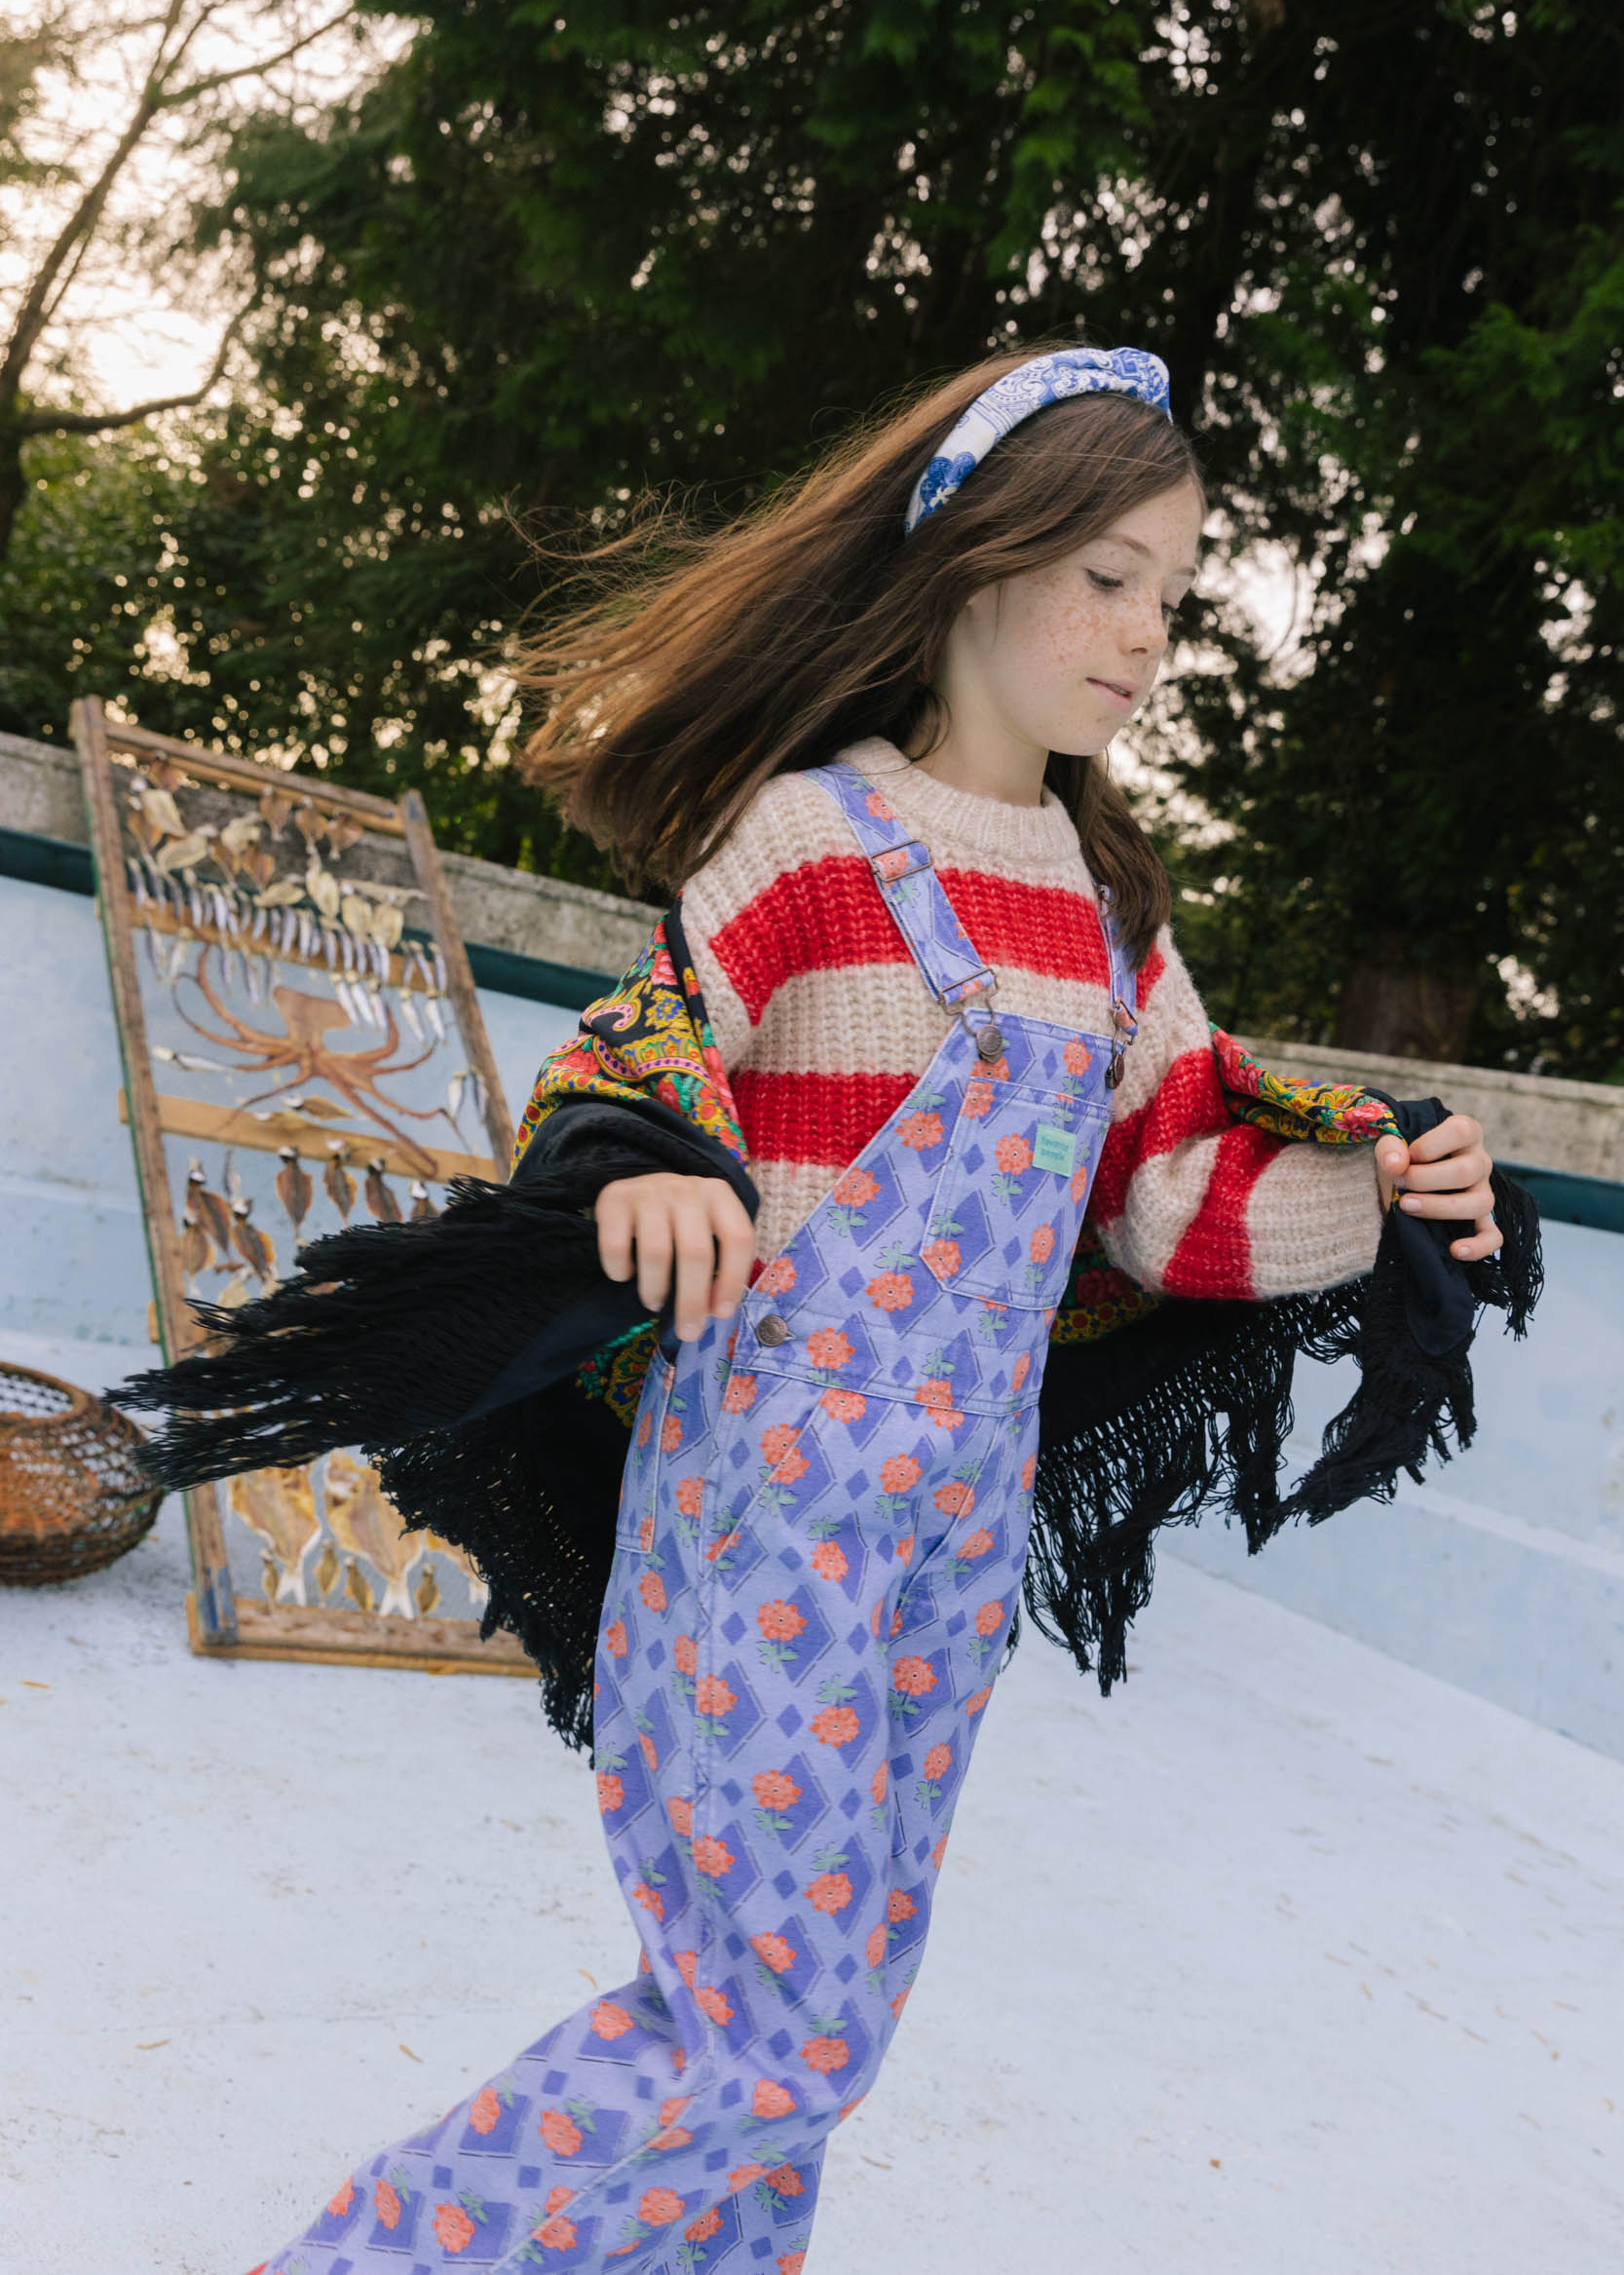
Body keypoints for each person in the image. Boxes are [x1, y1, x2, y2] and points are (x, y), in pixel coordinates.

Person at [126, 345, 1536, 2275]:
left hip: (952, 1534)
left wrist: (1378, 1197)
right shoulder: (808, 839)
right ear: (977, 553)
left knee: (834, 2013)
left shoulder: (1110, 914)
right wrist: (640, 1170)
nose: (1148, 634)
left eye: (1174, 593)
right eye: (1108, 576)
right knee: (763, 2031)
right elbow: (641, 1048)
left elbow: (1168, 1196)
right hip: (761, 1502)